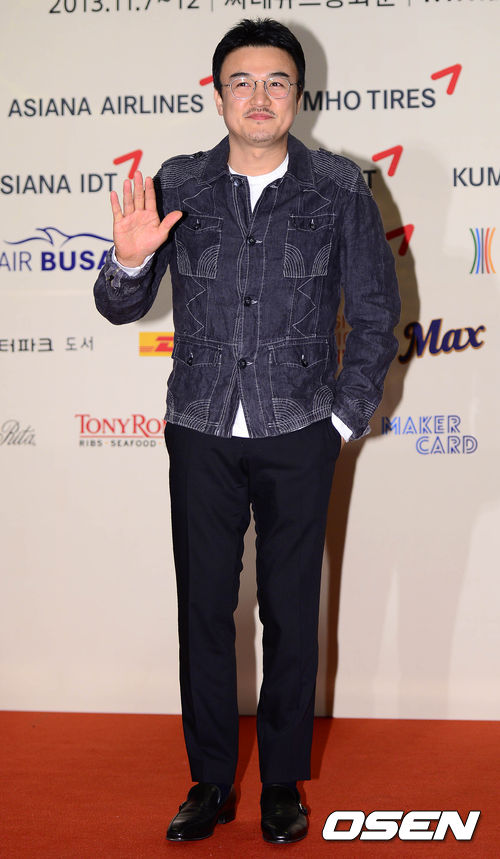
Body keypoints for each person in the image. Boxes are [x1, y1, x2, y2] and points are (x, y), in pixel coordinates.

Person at [93, 18, 400, 844]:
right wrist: (129, 262)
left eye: (276, 82)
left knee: (292, 612)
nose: (259, 96)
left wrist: (341, 418)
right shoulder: (179, 180)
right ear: (218, 93)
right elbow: (121, 305)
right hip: (199, 426)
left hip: (299, 427)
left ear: (298, 95)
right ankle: (209, 780)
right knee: (203, 608)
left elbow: (376, 312)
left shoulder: (338, 186)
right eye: (242, 81)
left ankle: (283, 782)